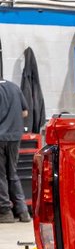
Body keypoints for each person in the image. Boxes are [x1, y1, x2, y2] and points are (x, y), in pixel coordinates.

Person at [0, 76, 30, 223]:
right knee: (12, 173)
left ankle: (5, 212)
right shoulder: (14, 87)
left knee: (0, 176)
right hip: (15, 137)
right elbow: (25, 113)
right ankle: (23, 211)